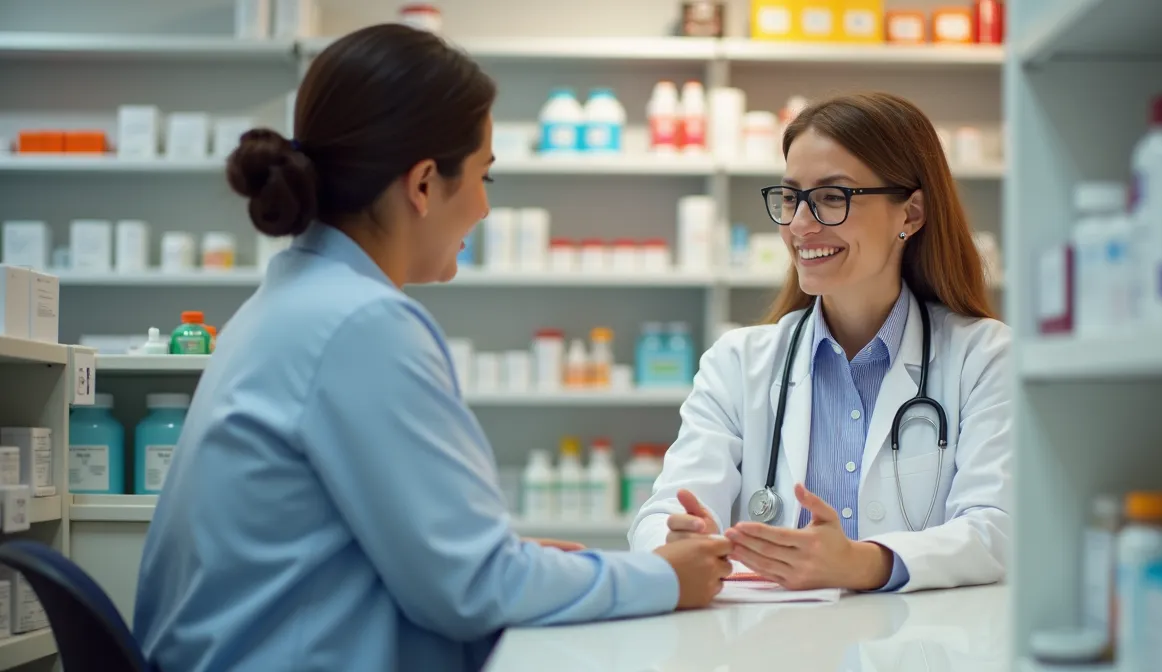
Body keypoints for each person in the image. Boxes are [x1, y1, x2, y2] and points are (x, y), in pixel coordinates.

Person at [132, 24, 732, 672]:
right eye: (484, 177)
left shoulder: (292, 300)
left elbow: (424, 559)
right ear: (422, 184)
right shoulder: (362, 324)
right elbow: (472, 591)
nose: (481, 208)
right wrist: (666, 577)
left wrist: (525, 563)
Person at [628, 92, 1011, 593]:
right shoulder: (736, 364)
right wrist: (679, 541)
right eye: (790, 198)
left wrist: (864, 563)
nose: (800, 226)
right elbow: (662, 513)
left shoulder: (982, 357)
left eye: (833, 197)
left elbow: (995, 529)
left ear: (911, 214)